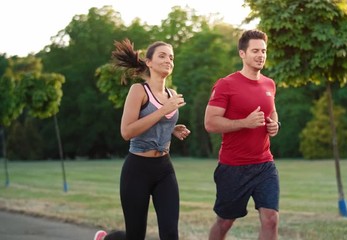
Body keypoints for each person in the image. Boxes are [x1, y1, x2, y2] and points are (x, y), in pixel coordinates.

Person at [94, 38, 190, 240]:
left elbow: (156, 122)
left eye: (171, 57)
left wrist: (171, 128)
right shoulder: (139, 90)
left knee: (171, 233)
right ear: (149, 62)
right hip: (137, 169)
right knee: (136, 235)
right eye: (162, 56)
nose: (168, 60)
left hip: (164, 168)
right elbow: (127, 131)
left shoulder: (171, 94)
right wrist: (164, 111)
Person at [204, 29, 281, 240]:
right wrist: (245, 123)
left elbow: (271, 111)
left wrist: (275, 124)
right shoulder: (226, 84)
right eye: (255, 50)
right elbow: (210, 123)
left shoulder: (269, 84)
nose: (261, 55)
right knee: (225, 222)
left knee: (271, 218)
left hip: (264, 164)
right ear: (242, 54)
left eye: (264, 51)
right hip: (233, 167)